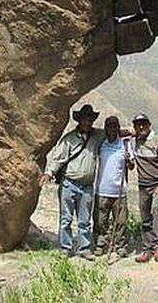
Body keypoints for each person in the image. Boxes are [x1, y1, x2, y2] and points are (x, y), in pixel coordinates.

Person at [40, 104, 105, 259]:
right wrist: (49, 173)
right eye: (85, 118)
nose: (87, 122)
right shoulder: (69, 139)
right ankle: (65, 248)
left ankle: (84, 248)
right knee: (66, 219)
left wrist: (132, 131)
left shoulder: (97, 136)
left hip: (87, 186)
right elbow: (58, 158)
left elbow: (114, 132)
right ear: (79, 120)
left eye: (90, 118)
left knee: (84, 220)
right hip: (69, 184)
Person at [131, 113, 158, 263]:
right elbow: (122, 132)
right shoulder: (135, 140)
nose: (141, 127)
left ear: (149, 124)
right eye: (138, 124)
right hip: (143, 185)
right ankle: (147, 249)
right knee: (145, 216)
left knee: (156, 210)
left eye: (143, 124)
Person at [93, 116, 133, 262]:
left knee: (121, 221)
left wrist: (129, 161)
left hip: (120, 190)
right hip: (102, 189)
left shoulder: (125, 144)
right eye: (109, 126)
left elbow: (131, 166)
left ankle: (120, 246)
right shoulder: (100, 144)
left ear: (118, 128)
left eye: (114, 126)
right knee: (100, 220)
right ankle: (100, 245)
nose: (112, 129)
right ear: (105, 128)